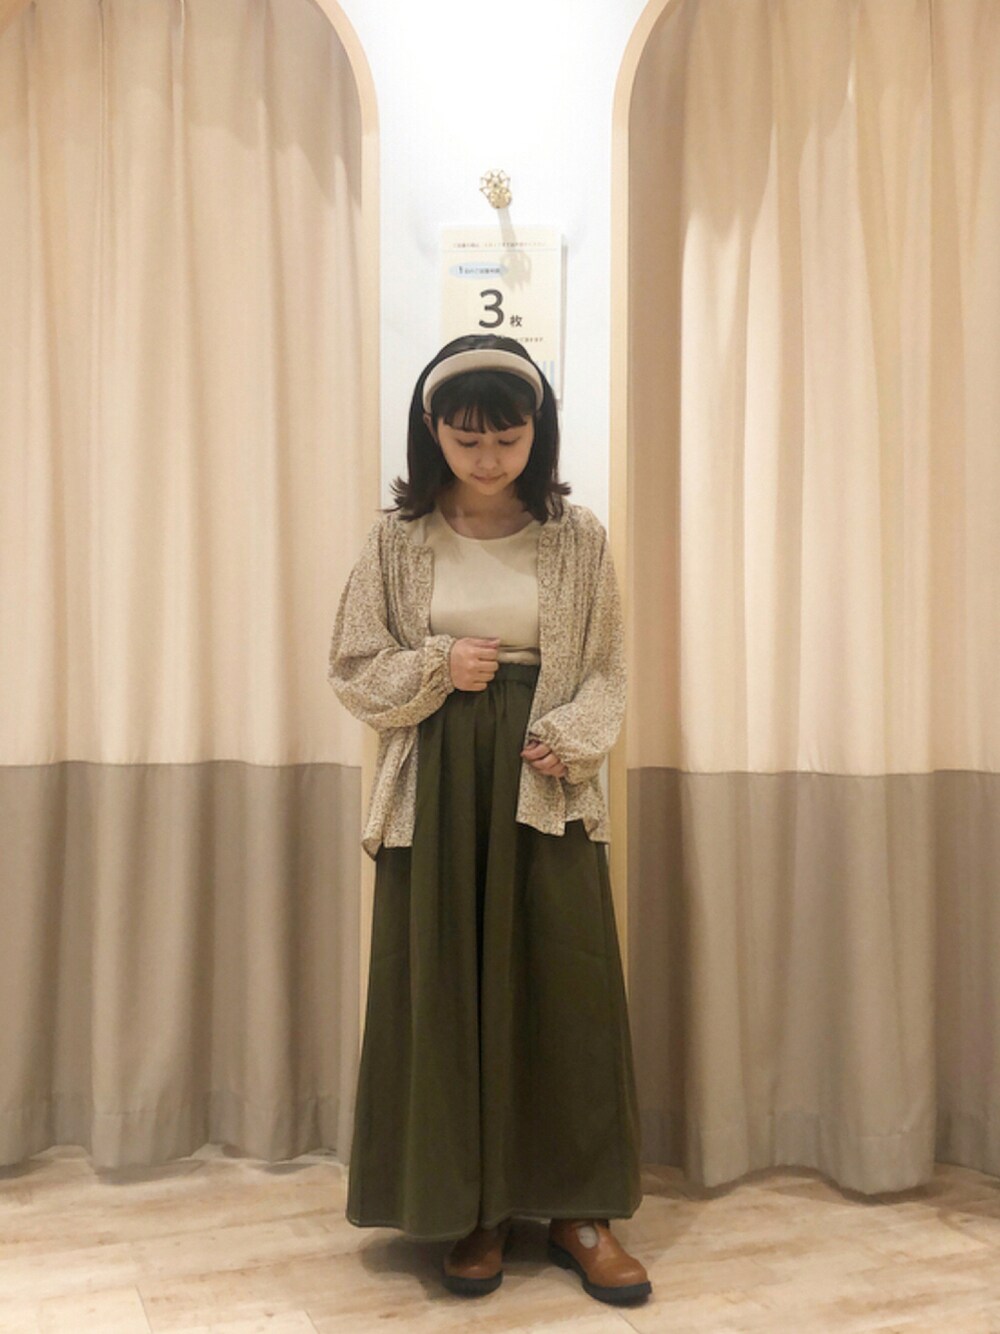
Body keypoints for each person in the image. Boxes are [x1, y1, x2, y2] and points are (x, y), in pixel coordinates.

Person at [327, 332, 652, 1307]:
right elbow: (353, 666)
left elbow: (607, 666)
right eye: (467, 439)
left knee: (566, 985)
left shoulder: (577, 536)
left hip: (542, 778)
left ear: (536, 432)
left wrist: (574, 736)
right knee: (445, 986)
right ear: (431, 430)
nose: (487, 458)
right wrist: (438, 665)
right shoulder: (397, 539)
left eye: (507, 439)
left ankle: (581, 1211)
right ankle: (471, 1205)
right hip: (435, 781)